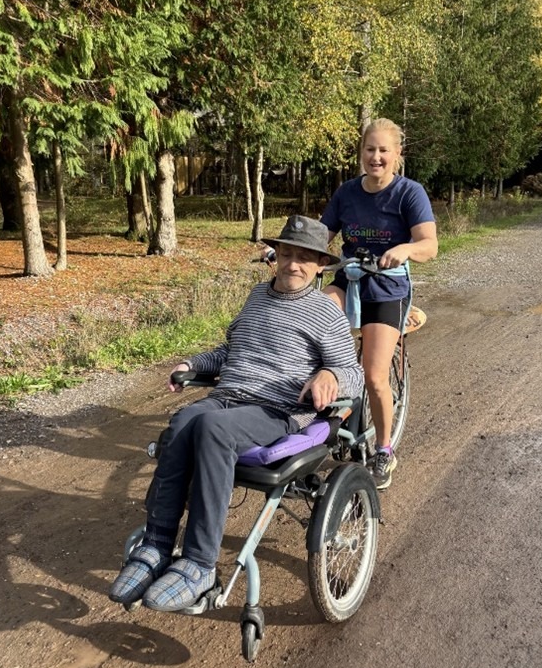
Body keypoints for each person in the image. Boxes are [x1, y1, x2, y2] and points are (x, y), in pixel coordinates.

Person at [109, 215, 364, 613]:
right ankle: (156, 545)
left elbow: (354, 374)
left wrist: (330, 374)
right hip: (228, 396)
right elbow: (230, 352)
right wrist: (192, 364)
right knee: (182, 423)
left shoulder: (325, 313)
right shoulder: (257, 297)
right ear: (275, 257)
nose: (293, 264)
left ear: (320, 266)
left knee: (212, 428)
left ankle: (199, 564)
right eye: (286, 254)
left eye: (304, 258)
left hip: (277, 409)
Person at [320, 118, 437, 489]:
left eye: (384, 150)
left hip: (387, 287)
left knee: (374, 375)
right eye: (370, 149)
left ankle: (384, 448)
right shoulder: (347, 192)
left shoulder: (409, 193)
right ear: (361, 152)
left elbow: (429, 245)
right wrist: (289, 252)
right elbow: (321, 235)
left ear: (397, 154)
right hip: (350, 278)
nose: (376, 157)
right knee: (315, 319)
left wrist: (405, 249)